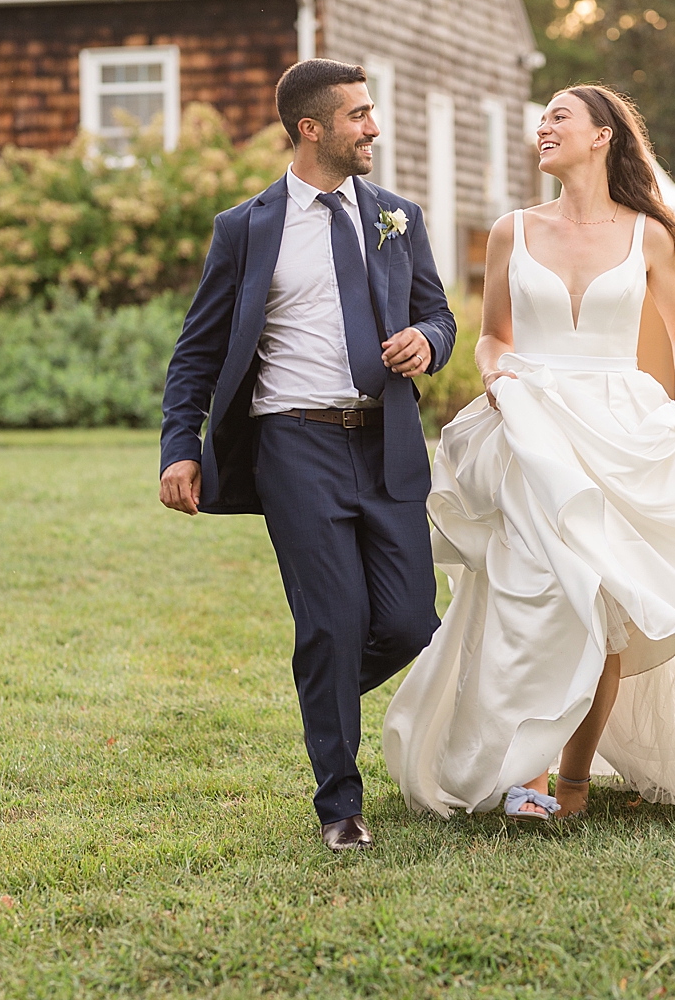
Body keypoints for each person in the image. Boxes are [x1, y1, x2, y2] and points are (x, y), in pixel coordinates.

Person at [382, 85, 675, 822]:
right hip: (535, 428)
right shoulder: (512, 230)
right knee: (540, 597)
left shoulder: (646, 235)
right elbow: (494, 333)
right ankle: (529, 778)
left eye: (559, 117)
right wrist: (495, 373)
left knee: (608, 604)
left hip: (622, 425)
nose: (542, 128)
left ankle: (570, 787)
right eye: (541, 120)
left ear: (602, 135)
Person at [158, 59, 456, 851]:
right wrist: (178, 446)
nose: (375, 128)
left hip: (387, 443)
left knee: (405, 624)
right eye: (359, 115)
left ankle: (323, 695)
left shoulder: (397, 217)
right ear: (311, 129)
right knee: (329, 623)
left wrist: (426, 343)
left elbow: (440, 315)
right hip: (295, 446)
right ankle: (340, 805)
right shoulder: (247, 228)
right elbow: (196, 351)